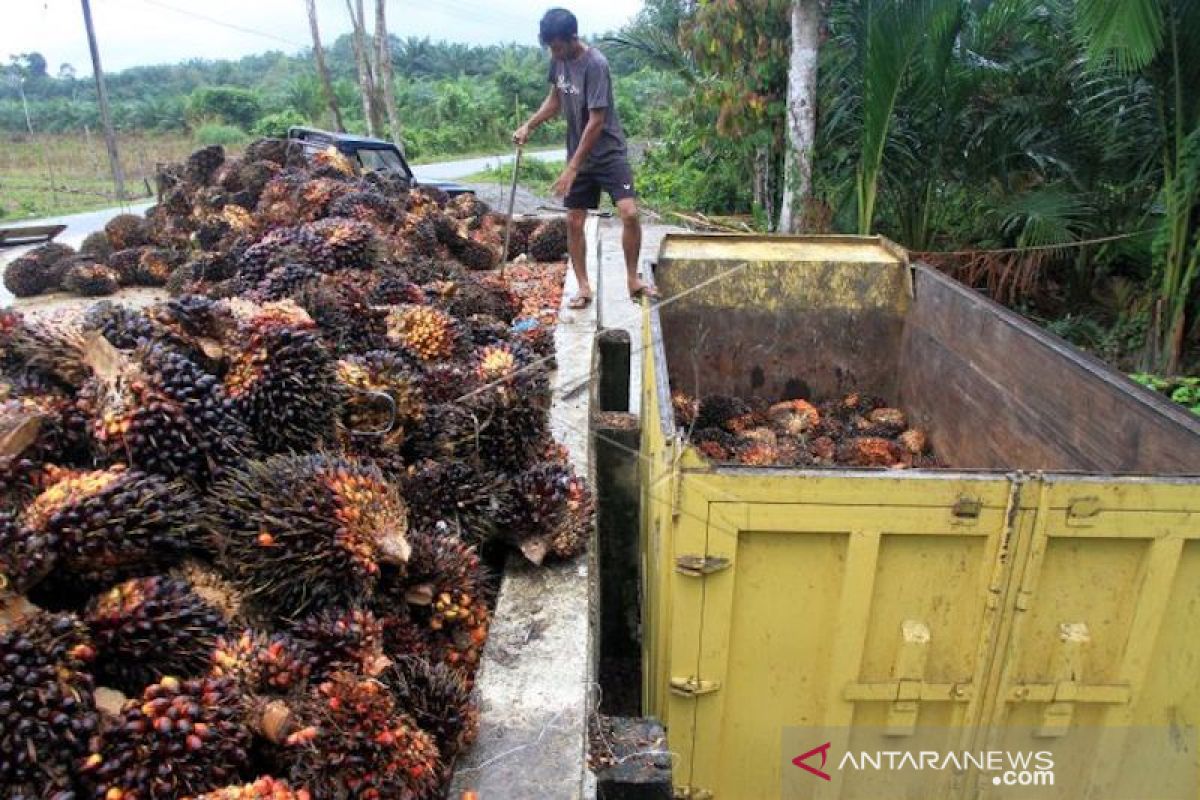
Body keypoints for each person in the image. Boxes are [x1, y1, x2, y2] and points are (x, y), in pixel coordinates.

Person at [513, 7, 657, 308]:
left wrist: (571, 168)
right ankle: (583, 287)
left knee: (629, 213)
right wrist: (529, 125)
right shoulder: (559, 59)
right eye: (550, 47)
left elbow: (596, 122)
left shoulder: (596, 64)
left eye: (558, 46)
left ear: (572, 37)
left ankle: (632, 279)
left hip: (608, 153)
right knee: (574, 221)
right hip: (579, 155)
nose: (554, 52)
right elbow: (555, 100)